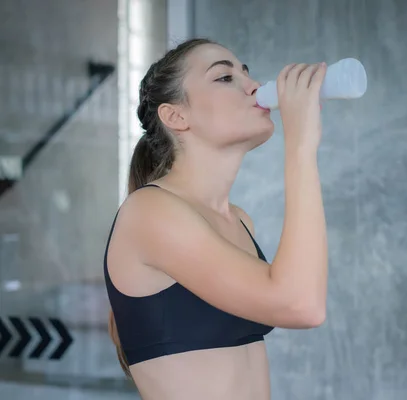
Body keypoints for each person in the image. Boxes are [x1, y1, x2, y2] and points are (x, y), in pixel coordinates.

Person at [103, 37, 329, 400]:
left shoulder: (239, 221)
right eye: (224, 77)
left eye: (246, 72)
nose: (253, 86)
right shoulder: (150, 213)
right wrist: (301, 145)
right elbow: (301, 304)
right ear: (176, 116)